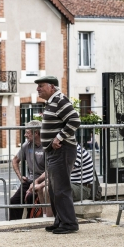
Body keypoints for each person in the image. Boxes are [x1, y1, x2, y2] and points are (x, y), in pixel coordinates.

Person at [35, 75, 81, 234]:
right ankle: (60, 220)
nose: (38, 89)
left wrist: (58, 138)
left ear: (52, 87)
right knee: (54, 189)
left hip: (62, 150)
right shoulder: (51, 102)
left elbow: (75, 120)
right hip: (54, 151)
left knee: (61, 188)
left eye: (41, 86)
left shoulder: (60, 99)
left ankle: (69, 223)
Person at [32, 144, 95, 218]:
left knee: (47, 189)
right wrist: (37, 181)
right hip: (70, 184)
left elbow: (60, 175)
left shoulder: (76, 152)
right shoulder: (65, 152)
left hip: (82, 187)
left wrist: (40, 185)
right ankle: (45, 216)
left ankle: (49, 219)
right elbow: (51, 170)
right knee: (41, 189)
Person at [9, 121, 45, 220]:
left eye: (27, 132)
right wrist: (20, 177)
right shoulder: (26, 145)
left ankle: (30, 224)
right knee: (14, 201)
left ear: (36, 133)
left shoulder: (46, 146)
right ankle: (15, 226)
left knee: (30, 199)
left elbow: (50, 169)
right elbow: (15, 160)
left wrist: (37, 182)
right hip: (29, 181)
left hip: (42, 182)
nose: (25, 135)